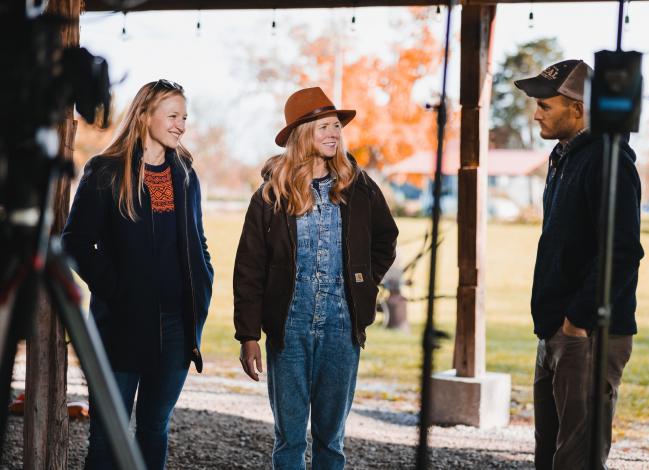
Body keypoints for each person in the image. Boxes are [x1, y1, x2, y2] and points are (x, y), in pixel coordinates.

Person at [233, 86, 398, 469]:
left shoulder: (356, 186)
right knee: (289, 439)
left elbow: (385, 239)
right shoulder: (271, 196)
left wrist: (362, 281)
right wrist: (247, 335)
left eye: (337, 127)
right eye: (324, 127)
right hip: (287, 330)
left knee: (331, 440)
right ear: (302, 133)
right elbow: (249, 269)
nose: (334, 134)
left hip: (342, 330)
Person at [62, 79, 214, 470]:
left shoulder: (185, 174)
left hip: (178, 327)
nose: (182, 125)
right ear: (145, 115)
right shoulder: (105, 171)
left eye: (185, 117)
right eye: (174, 115)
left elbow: (197, 241)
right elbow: (76, 242)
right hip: (121, 325)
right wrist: (118, 290)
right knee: (108, 436)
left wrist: (203, 283)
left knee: (154, 429)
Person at [514, 60, 644, 469]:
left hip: (588, 336)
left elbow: (622, 252)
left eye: (545, 105)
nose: (536, 113)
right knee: (549, 454)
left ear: (578, 108)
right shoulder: (564, 156)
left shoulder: (608, 160)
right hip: (555, 331)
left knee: (576, 459)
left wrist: (577, 322)